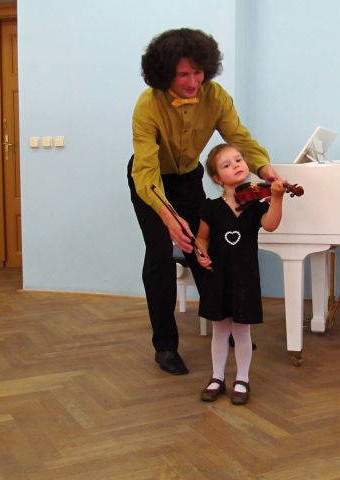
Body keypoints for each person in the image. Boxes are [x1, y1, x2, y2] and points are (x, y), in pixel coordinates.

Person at [128, 28, 280, 375]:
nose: (193, 82)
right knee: (160, 256)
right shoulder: (147, 105)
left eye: (198, 72)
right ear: (165, 73)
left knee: (208, 250)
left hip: (188, 179)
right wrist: (169, 220)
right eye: (183, 74)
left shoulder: (216, 96)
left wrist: (263, 167)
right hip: (150, 182)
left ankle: (228, 323)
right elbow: (146, 172)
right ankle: (165, 345)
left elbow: (239, 138)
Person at [195, 144, 285, 405]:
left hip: (244, 277)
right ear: (217, 179)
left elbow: (271, 224)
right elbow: (202, 238)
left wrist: (277, 198)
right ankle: (217, 377)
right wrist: (201, 253)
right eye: (227, 165)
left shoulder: (256, 205)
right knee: (220, 329)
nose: (236, 165)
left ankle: (242, 378)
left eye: (238, 160)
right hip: (218, 277)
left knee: (242, 331)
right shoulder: (211, 208)